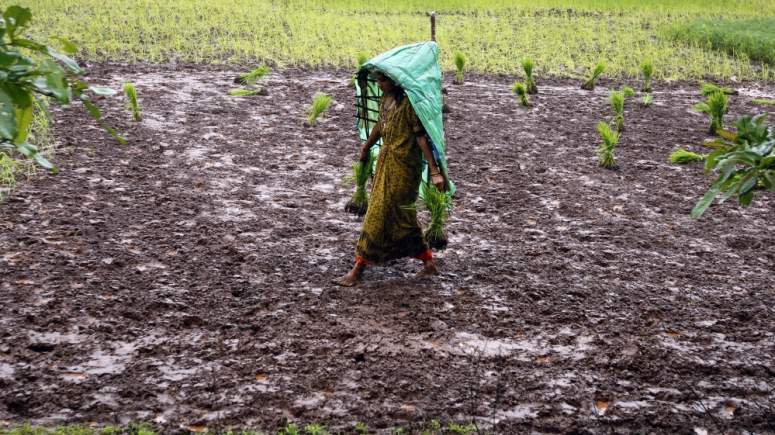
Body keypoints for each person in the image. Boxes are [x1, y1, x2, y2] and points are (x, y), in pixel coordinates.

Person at [335, 70, 447, 287]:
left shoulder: (408, 105)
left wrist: (434, 171)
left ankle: (358, 267)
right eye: (378, 80)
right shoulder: (385, 100)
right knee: (401, 215)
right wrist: (366, 146)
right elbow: (380, 124)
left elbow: (421, 138)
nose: (380, 84)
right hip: (386, 162)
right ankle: (428, 263)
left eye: (383, 80)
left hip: (406, 166)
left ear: (395, 82)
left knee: (380, 213)